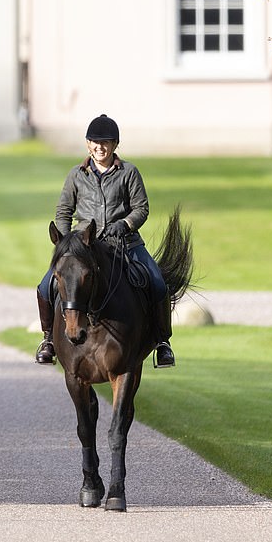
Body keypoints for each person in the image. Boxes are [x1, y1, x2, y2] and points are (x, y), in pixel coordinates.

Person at [35, 114, 175, 368]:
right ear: (88, 144)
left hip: (126, 243)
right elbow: (63, 212)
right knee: (46, 286)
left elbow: (141, 208)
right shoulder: (76, 175)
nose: (100, 147)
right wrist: (66, 243)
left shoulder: (129, 172)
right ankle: (48, 340)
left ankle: (163, 343)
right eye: (95, 142)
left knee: (157, 283)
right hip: (83, 247)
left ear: (115, 144)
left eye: (106, 142)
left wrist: (124, 225)